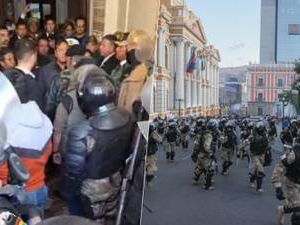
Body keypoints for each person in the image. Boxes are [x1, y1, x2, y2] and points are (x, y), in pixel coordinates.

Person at [61, 71, 133, 224]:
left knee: (91, 220)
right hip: (116, 178)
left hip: (92, 188)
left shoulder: (81, 131)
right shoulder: (127, 117)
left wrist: (67, 193)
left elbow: (73, 172)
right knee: (111, 216)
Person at [0, 74, 53, 220]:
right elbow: (48, 151)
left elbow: (3, 169)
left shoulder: (6, 128)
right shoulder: (43, 119)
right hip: (40, 187)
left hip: (16, 196)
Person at [117, 30, 152, 117]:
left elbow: (130, 109)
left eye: (130, 48)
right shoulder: (130, 70)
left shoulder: (143, 74)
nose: (127, 51)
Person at [4, 39, 45, 111]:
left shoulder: (4, 76)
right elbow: (37, 115)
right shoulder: (32, 85)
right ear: (34, 56)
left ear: (16, 56)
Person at [272, 136, 300, 225]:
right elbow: (279, 168)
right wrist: (277, 186)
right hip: (293, 183)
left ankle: (282, 209)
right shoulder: (293, 154)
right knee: (298, 211)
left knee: (295, 205)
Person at [192, 119, 215, 190]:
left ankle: (195, 179)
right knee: (210, 169)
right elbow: (206, 146)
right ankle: (207, 185)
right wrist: (210, 153)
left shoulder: (200, 133)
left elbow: (196, 144)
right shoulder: (208, 135)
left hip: (199, 154)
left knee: (201, 167)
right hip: (205, 155)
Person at [248, 121, 269, 192]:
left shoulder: (265, 135)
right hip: (254, 154)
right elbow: (248, 141)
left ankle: (252, 179)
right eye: (259, 128)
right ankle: (259, 187)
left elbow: (267, 145)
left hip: (262, 154)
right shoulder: (253, 135)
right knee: (260, 170)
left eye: (262, 128)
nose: (261, 130)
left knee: (257, 169)